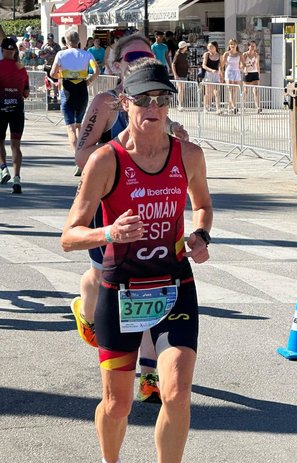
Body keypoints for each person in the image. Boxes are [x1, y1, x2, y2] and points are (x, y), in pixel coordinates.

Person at [61, 58, 213, 463]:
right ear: (124, 104)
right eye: (143, 100)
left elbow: (203, 204)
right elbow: (69, 235)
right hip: (120, 287)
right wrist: (109, 230)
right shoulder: (106, 161)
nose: (153, 108)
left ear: (171, 104)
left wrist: (201, 234)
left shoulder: (187, 154)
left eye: (162, 99)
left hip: (173, 283)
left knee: (176, 391)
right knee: (118, 403)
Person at [74, 31, 189, 403]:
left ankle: (149, 373)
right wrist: (113, 161)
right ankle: (87, 310)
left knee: (148, 292)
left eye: (144, 54)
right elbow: (81, 154)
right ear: (116, 64)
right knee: (101, 280)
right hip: (110, 204)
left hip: (149, 211)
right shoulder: (107, 102)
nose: (138, 61)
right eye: (130, 57)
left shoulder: (155, 102)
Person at [50, 29, 99, 155]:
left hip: (67, 90)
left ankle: (77, 158)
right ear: (78, 42)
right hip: (82, 90)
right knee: (79, 126)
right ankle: (82, 155)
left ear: (66, 42)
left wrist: (62, 74)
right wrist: (88, 81)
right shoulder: (87, 54)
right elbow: (96, 71)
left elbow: (52, 73)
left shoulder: (61, 54)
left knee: (70, 128)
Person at [0, 37, 29, 194]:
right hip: (17, 109)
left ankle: (3, 168)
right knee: (15, 145)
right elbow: (26, 92)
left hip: (1, 108)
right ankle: (17, 179)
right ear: (14, 51)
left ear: (3, 50)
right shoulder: (21, 68)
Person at [221, 39, 244, 114]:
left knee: (234, 90)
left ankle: (229, 107)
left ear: (236, 45)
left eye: (234, 44)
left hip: (236, 71)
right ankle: (234, 107)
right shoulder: (226, 54)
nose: (232, 46)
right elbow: (222, 64)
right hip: (229, 72)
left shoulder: (240, 54)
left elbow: (243, 63)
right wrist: (221, 72)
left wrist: (241, 67)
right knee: (230, 89)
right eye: (231, 44)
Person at [39, 32, 61, 101]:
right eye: (49, 39)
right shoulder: (44, 46)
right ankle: (48, 95)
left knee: (55, 80)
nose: (50, 40)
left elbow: (60, 55)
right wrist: (46, 55)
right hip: (47, 65)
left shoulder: (57, 46)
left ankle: (55, 95)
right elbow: (40, 55)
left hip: (54, 65)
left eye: (51, 39)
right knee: (47, 81)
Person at [202, 41, 222, 113]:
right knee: (208, 92)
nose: (209, 48)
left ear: (215, 47)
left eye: (211, 47)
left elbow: (220, 65)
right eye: (209, 47)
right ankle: (205, 106)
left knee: (216, 92)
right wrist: (211, 70)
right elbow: (204, 65)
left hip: (216, 75)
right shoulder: (206, 54)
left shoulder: (219, 55)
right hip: (208, 74)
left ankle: (218, 108)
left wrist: (220, 72)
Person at [243, 40, 261, 113]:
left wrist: (258, 73)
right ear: (248, 46)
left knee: (256, 91)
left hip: (254, 73)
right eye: (251, 46)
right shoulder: (245, 54)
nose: (253, 47)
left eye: (254, 46)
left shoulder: (256, 55)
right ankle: (243, 105)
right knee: (245, 91)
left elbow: (257, 64)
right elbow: (242, 64)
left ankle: (257, 107)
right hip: (247, 73)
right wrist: (246, 68)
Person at [171, 40, 190, 111]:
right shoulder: (178, 54)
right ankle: (179, 104)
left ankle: (181, 103)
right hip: (179, 75)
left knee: (183, 89)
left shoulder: (185, 54)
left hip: (184, 74)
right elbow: (173, 64)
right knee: (180, 89)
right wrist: (175, 74)